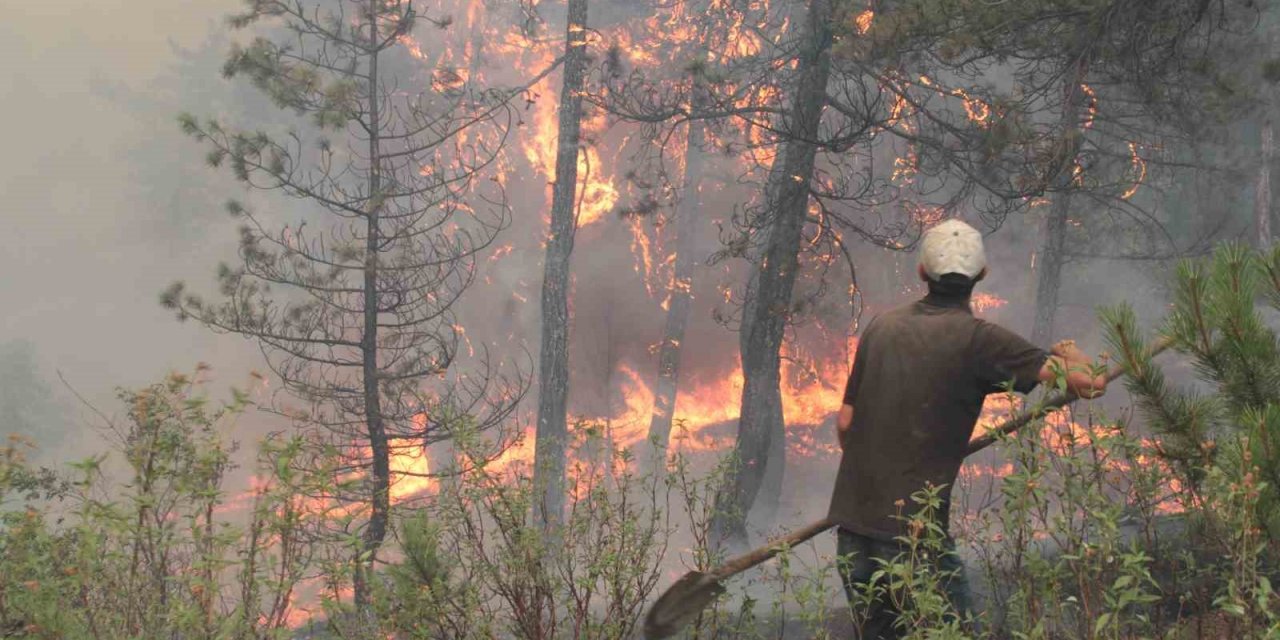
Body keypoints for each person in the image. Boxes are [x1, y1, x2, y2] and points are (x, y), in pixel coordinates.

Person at [829, 219, 1107, 639]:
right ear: (981, 275)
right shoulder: (981, 340)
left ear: (922, 271)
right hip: (914, 537)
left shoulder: (880, 327)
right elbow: (1092, 383)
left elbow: (846, 422)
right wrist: (1069, 351)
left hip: (852, 529)